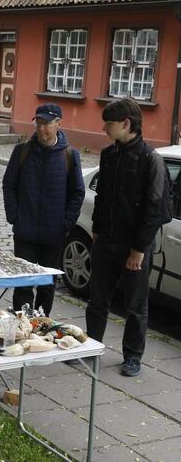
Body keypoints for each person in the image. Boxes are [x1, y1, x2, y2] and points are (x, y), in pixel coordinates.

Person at [86, 98, 171, 377]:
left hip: (134, 247)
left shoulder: (151, 159)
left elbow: (154, 210)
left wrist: (138, 249)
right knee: (98, 300)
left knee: (135, 306)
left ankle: (132, 357)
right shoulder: (109, 154)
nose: (103, 128)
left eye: (108, 124)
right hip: (106, 241)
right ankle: (91, 347)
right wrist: (96, 229)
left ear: (126, 124)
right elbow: (102, 197)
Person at [2, 103, 85, 317]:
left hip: (54, 234)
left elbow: (77, 193)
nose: (41, 128)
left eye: (46, 124)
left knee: (47, 286)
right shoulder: (22, 151)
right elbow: (9, 184)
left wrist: (65, 224)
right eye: (38, 123)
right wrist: (14, 216)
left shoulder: (70, 155)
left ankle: (40, 325)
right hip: (25, 232)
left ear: (58, 124)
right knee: (23, 283)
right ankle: (21, 323)